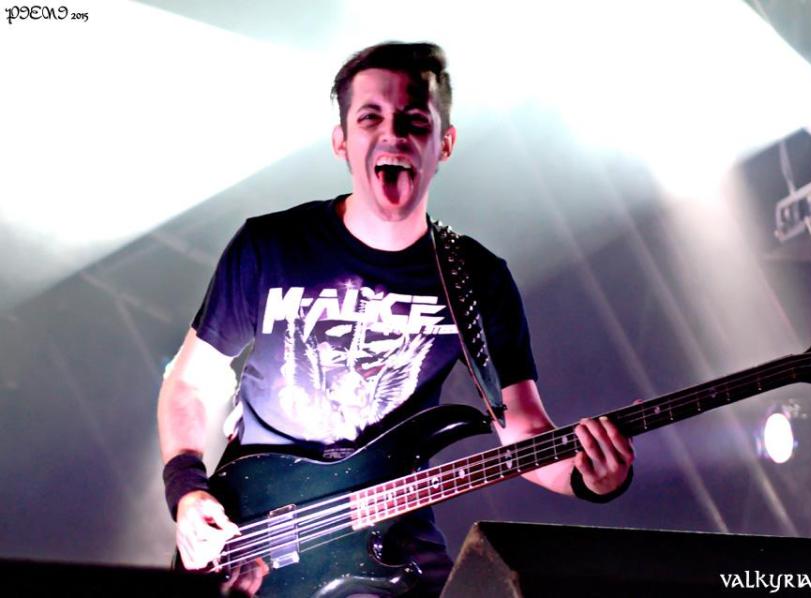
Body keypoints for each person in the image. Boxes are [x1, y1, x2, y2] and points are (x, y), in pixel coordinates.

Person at [157, 41, 634, 597]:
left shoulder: (477, 278)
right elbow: (191, 381)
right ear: (341, 140)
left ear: (444, 143)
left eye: (414, 121)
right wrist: (187, 491)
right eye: (370, 118)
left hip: (391, 545)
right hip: (256, 532)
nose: (394, 135)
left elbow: (522, 431)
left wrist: (589, 477)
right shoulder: (270, 246)